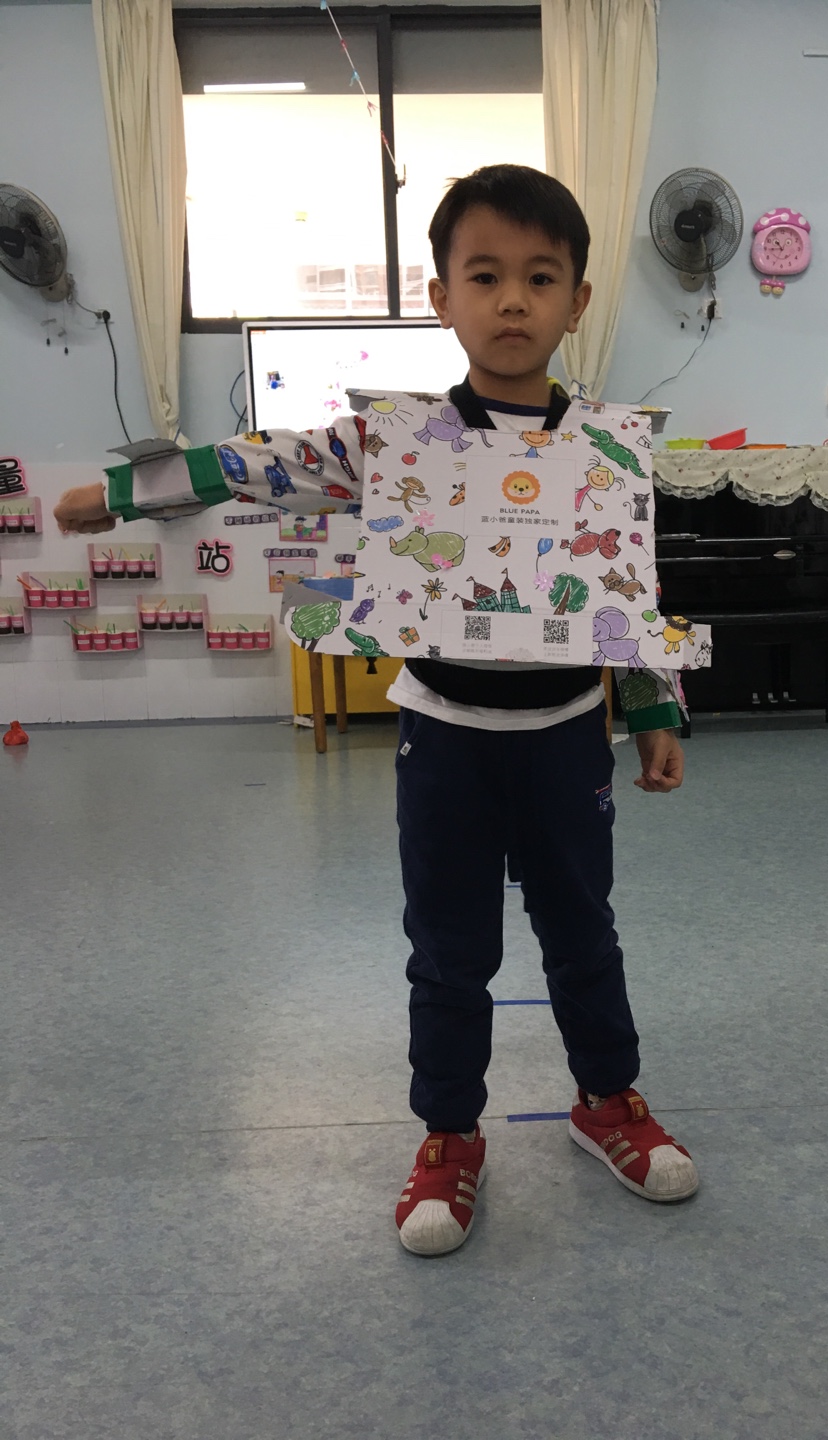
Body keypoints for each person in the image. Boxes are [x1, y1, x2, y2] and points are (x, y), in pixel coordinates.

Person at [55, 164, 699, 1258]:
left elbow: (625, 587)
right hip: (445, 735)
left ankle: (608, 1103)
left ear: (579, 300)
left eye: (540, 278)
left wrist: (652, 708)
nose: (512, 300)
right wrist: (121, 494)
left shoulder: (607, 446)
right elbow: (256, 462)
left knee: (584, 932)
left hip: (563, 740)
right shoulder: (396, 441)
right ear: (441, 296)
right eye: (484, 276)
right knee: (449, 950)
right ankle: (449, 1133)